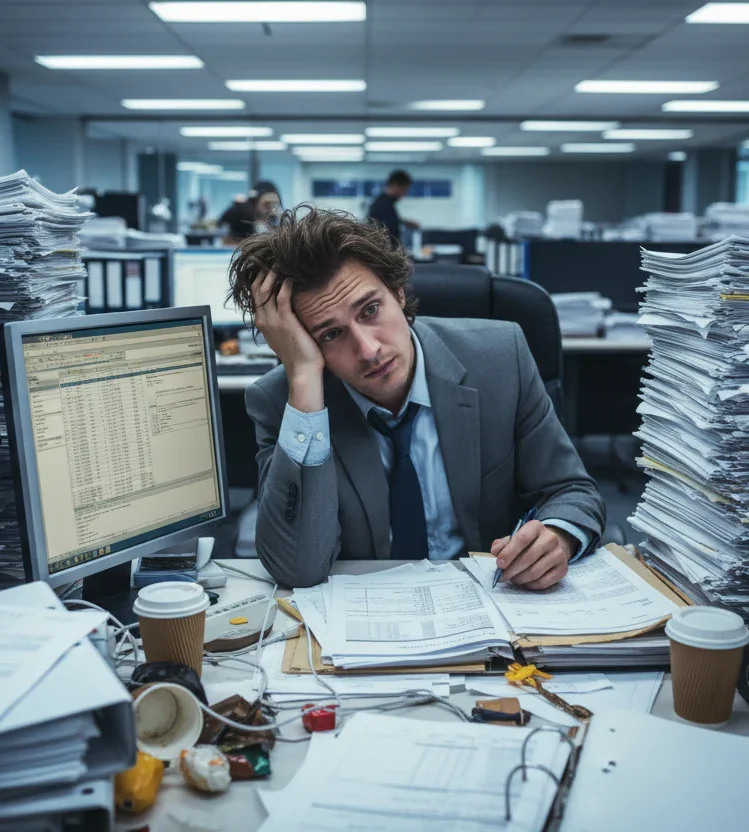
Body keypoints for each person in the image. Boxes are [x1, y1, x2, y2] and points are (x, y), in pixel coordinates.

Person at [231, 207, 605, 588]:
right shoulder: (284, 402)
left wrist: (558, 536)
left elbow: (571, 490)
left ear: (398, 292)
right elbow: (298, 568)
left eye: (371, 310)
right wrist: (305, 378)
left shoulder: (500, 358)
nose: (368, 349)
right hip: (366, 620)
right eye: (330, 334)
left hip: (491, 606)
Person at [367, 170, 420, 247]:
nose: (404, 194)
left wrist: (402, 222)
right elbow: (388, 233)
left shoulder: (384, 203)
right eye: (404, 190)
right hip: (385, 252)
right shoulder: (383, 205)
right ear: (395, 185)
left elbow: (387, 222)